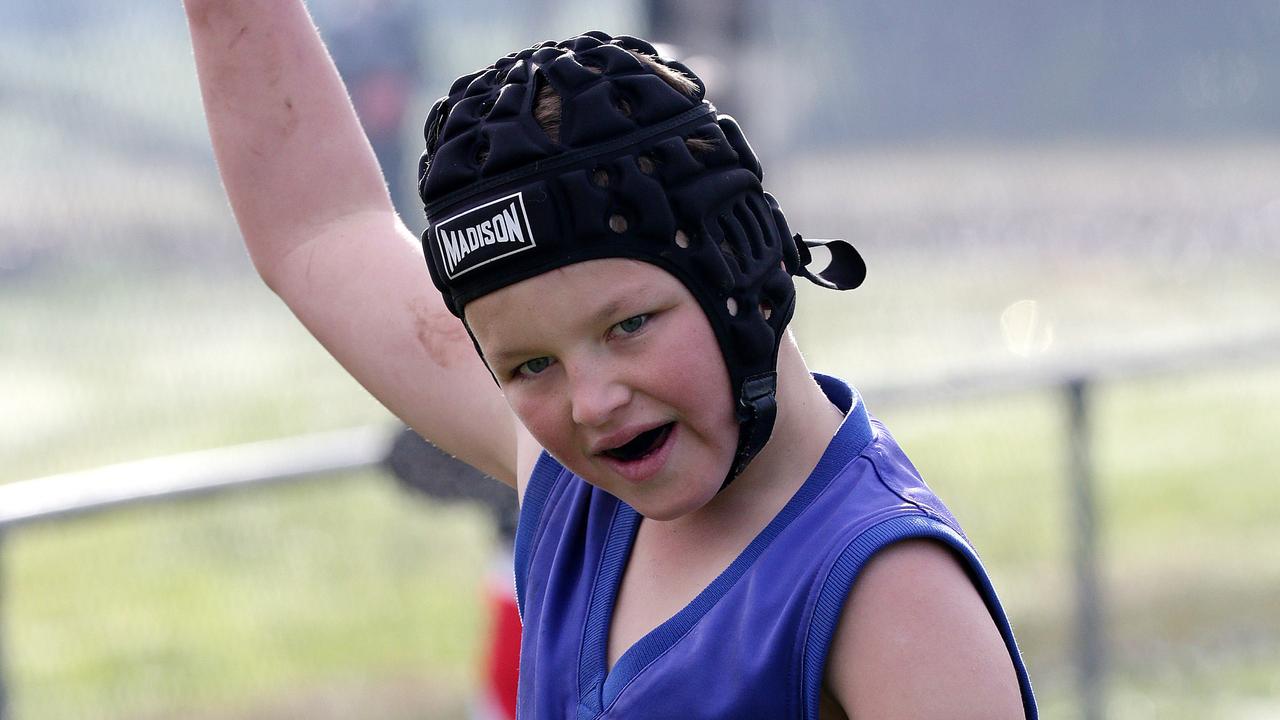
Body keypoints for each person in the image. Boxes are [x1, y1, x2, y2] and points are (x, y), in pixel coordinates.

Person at [183, 2, 1037, 718]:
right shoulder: (573, 492)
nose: (590, 401)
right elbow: (319, 228)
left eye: (628, 325)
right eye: (527, 367)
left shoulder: (888, 593)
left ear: (744, 265)